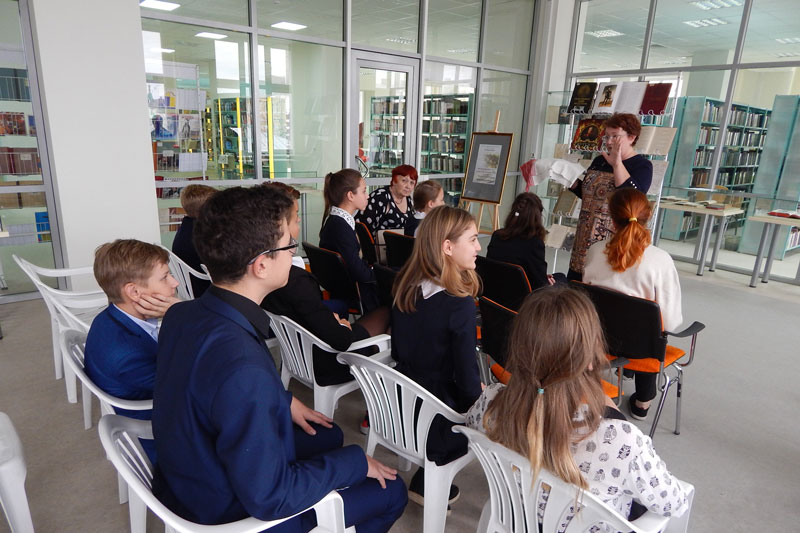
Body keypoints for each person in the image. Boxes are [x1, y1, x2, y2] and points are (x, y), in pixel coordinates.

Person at [152, 185, 407, 532]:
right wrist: (355, 464)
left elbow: (210, 387)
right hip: (226, 510)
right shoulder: (243, 366)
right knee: (392, 491)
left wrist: (283, 399)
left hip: (188, 471)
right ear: (261, 265)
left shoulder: (182, 314)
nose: (293, 252)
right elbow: (271, 497)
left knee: (328, 435)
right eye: (289, 246)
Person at [465, 285, 689, 528]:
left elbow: (470, 422)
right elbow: (674, 502)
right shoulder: (621, 440)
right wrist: (612, 413)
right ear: (591, 358)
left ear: (518, 351)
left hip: (518, 520)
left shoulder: (492, 403)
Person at [391, 205, 482, 507]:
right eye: (472, 239)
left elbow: (400, 351)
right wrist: (481, 402)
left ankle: (423, 478)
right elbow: (467, 380)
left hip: (399, 406)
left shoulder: (406, 287)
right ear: (447, 247)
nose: (478, 247)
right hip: (438, 421)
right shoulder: (459, 305)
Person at [261, 182, 390, 387]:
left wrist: (331, 319)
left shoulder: (265, 273)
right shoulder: (294, 280)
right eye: (296, 216)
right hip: (329, 361)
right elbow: (341, 340)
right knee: (388, 312)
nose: (299, 219)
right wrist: (341, 325)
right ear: (280, 226)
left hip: (303, 350)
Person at [583, 188, 683, 420]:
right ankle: (642, 402)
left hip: (599, 340)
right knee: (655, 330)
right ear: (649, 216)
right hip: (642, 349)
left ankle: (597, 390)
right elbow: (670, 321)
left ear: (611, 218)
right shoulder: (660, 260)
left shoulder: (595, 252)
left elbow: (586, 300)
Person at [84, 239, 180, 461]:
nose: (174, 283)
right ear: (134, 292)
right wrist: (182, 315)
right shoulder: (126, 355)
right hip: (161, 435)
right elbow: (189, 387)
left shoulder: (111, 316)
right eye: (165, 277)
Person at [568, 113, 653, 281]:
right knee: (575, 284)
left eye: (615, 136)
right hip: (584, 234)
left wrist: (617, 164)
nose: (608, 142)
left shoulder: (642, 166)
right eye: (606, 136)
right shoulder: (599, 160)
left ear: (631, 137)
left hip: (612, 236)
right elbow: (589, 195)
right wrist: (572, 182)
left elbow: (631, 199)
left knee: (601, 282)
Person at [319, 168, 380, 314]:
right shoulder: (341, 228)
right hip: (355, 292)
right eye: (364, 191)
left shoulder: (335, 221)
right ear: (350, 195)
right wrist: (381, 276)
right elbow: (359, 272)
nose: (367, 196)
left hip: (342, 288)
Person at [487, 192, 561, 290]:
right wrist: (546, 281)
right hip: (522, 296)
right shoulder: (534, 243)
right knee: (561, 278)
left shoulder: (497, 236)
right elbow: (540, 285)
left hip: (494, 292)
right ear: (537, 217)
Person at [172, 184, 217, 297]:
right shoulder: (204, 237)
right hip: (207, 291)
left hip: (194, 287)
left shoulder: (186, 228)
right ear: (208, 210)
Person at [356, 164, 418, 236]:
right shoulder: (379, 197)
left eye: (412, 183)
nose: (408, 186)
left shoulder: (408, 199)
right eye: (404, 181)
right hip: (378, 242)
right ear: (394, 181)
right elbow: (362, 227)